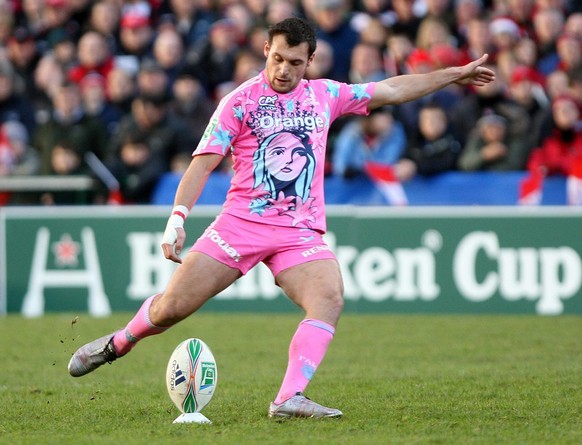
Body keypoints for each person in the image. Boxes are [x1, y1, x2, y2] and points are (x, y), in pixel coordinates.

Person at [67, 17, 494, 418]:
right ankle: (119, 342)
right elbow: (202, 164)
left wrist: (454, 74)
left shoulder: (326, 95)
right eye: (277, 59)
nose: (284, 70)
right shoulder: (240, 102)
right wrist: (177, 219)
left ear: (310, 62)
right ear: (266, 49)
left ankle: (289, 397)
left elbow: (392, 89)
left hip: (297, 232)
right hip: (240, 226)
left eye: (295, 63)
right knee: (169, 310)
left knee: (328, 297)